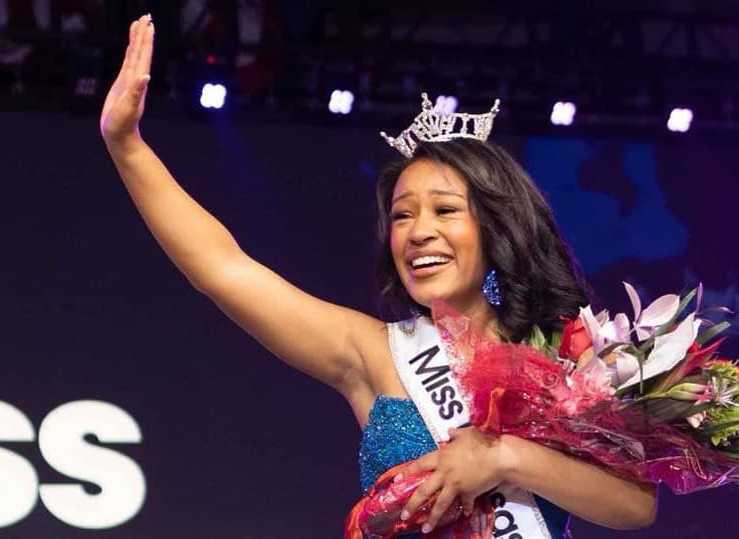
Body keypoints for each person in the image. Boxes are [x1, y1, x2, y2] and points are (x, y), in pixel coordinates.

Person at [100, 14, 657, 538]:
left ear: (497, 226)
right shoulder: (374, 352)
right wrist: (127, 147)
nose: (417, 232)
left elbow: (636, 505)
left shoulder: (566, 357)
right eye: (402, 215)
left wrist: (505, 457)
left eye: (444, 210)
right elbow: (223, 269)